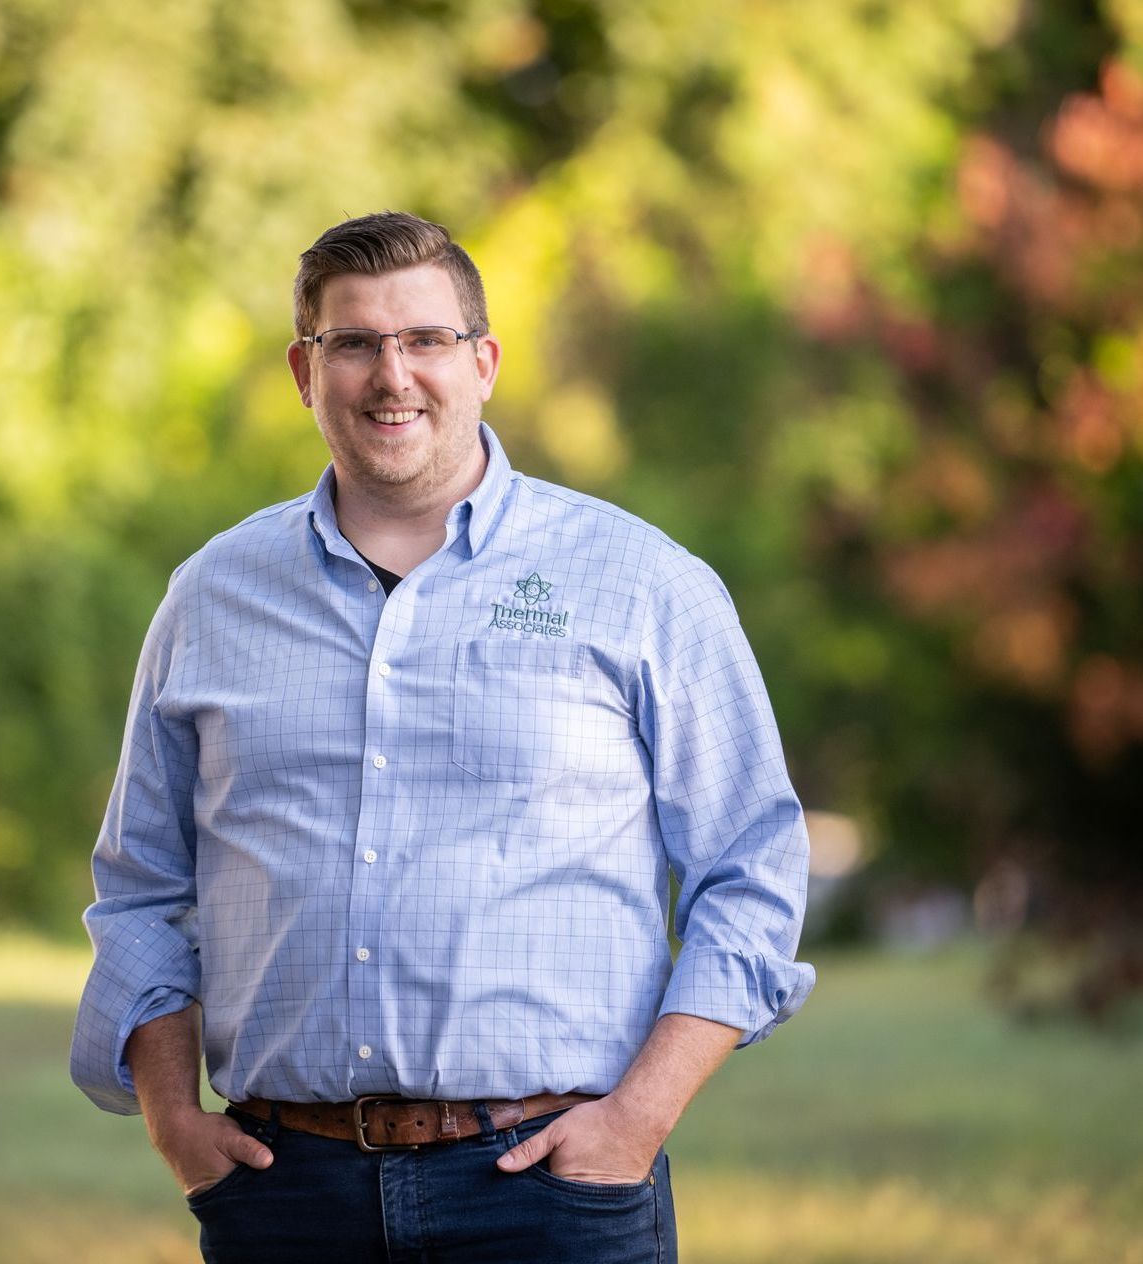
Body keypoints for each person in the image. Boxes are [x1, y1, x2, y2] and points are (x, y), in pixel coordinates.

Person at [70, 210, 815, 1263]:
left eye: (424, 339)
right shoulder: (211, 598)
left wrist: (636, 1118)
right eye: (355, 342)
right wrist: (174, 1123)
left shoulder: (641, 584)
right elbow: (143, 885)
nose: (392, 375)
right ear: (303, 369)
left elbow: (751, 869)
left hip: (552, 1190)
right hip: (286, 1194)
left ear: (483, 363)